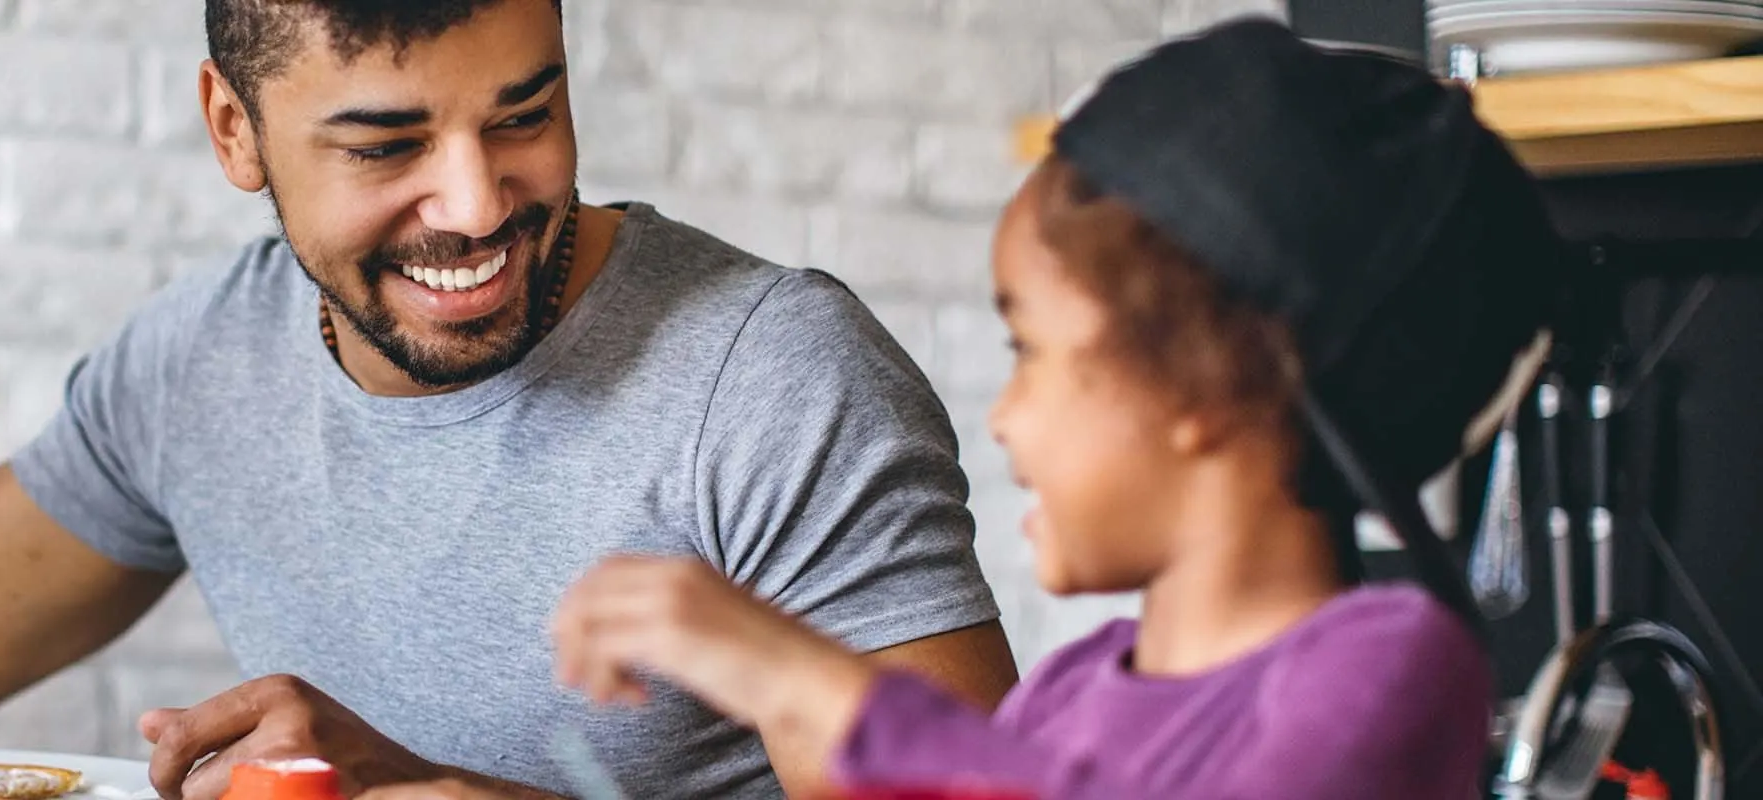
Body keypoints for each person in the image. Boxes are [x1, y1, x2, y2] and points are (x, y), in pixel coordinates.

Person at [0, 1, 1020, 798]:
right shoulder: (200, 363)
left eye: (524, 115)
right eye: (390, 143)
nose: (477, 206)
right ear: (233, 129)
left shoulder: (776, 378)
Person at [526, 18, 1571, 800]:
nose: (1005, 415)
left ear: (1203, 381)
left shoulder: (1392, 663)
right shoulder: (1073, 684)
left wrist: (798, 679)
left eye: (1032, 350)